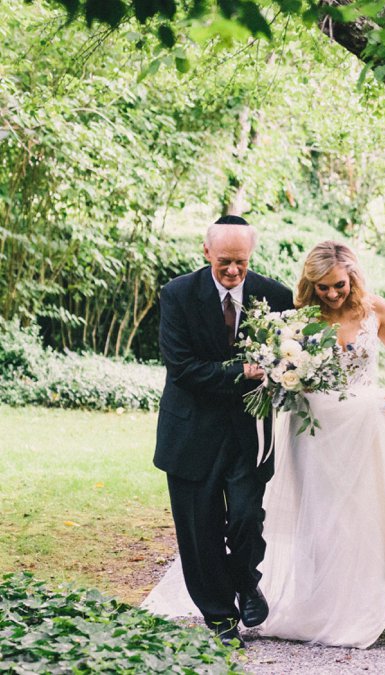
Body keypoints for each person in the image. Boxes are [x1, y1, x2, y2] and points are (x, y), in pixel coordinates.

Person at [257, 240, 385, 648]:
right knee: (319, 513)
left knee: (361, 514)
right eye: (322, 287)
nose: (332, 294)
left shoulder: (375, 308)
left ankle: (362, 605)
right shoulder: (301, 319)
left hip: (365, 425)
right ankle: (316, 604)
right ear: (310, 284)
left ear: (352, 276)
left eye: (338, 285)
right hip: (313, 430)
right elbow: (284, 368)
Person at [153, 215, 294, 646]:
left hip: (249, 432)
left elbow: (290, 356)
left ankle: (248, 583)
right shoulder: (177, 294)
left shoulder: (275, 295)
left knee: (248, 518)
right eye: (225, 262)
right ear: (207, 252)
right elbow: (182, 368)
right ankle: (219, 617)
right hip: (190, 432)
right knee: (201, 530)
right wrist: (241, 371)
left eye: (242, 263)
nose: (233, 271)